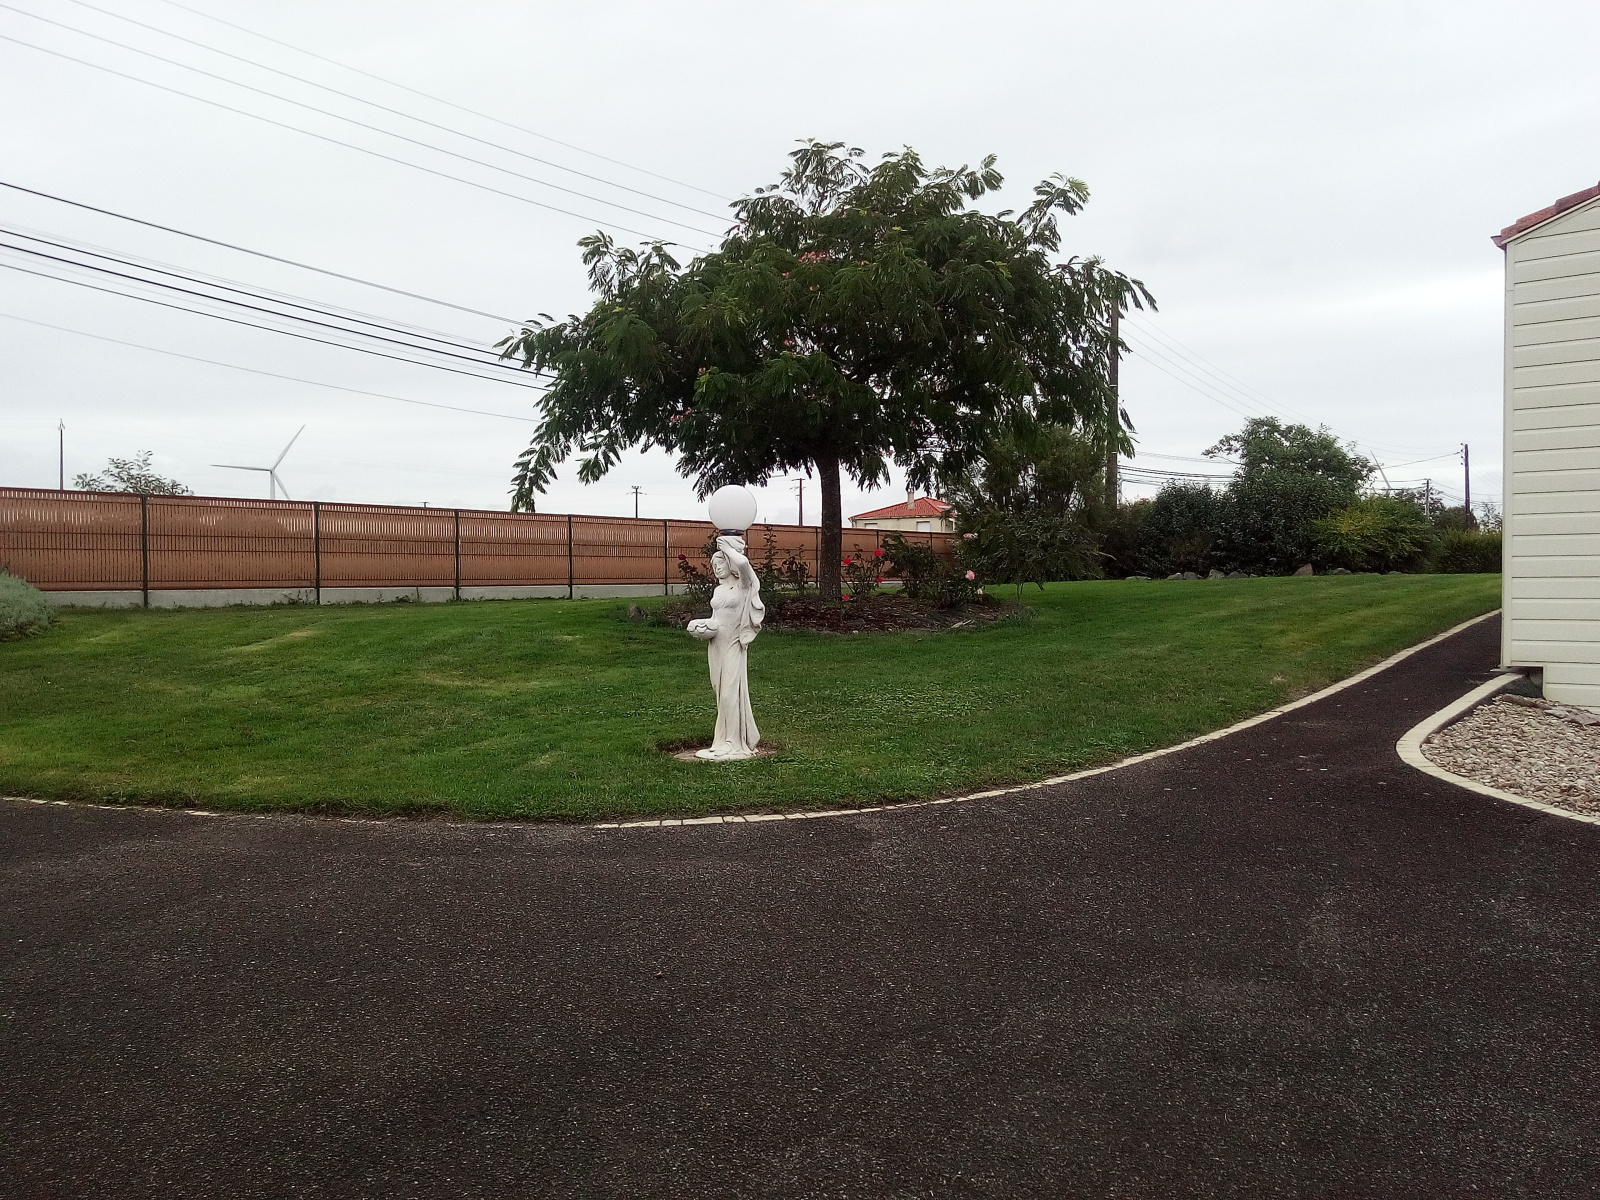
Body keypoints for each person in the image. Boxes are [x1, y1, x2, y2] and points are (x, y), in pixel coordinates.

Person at [685, 534, 764, 759]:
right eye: (714, 566)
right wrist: (703, 626)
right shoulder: (718, 591)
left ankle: (733, 742)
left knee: (730, 693)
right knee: (720, 693)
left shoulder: (743, 586)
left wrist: (727, 548)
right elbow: (717, 618)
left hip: (733, 643)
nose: (717, 569)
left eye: (721, 564)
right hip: (716, 644)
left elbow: (744, 563)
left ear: (730, 563)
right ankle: (722, 740)